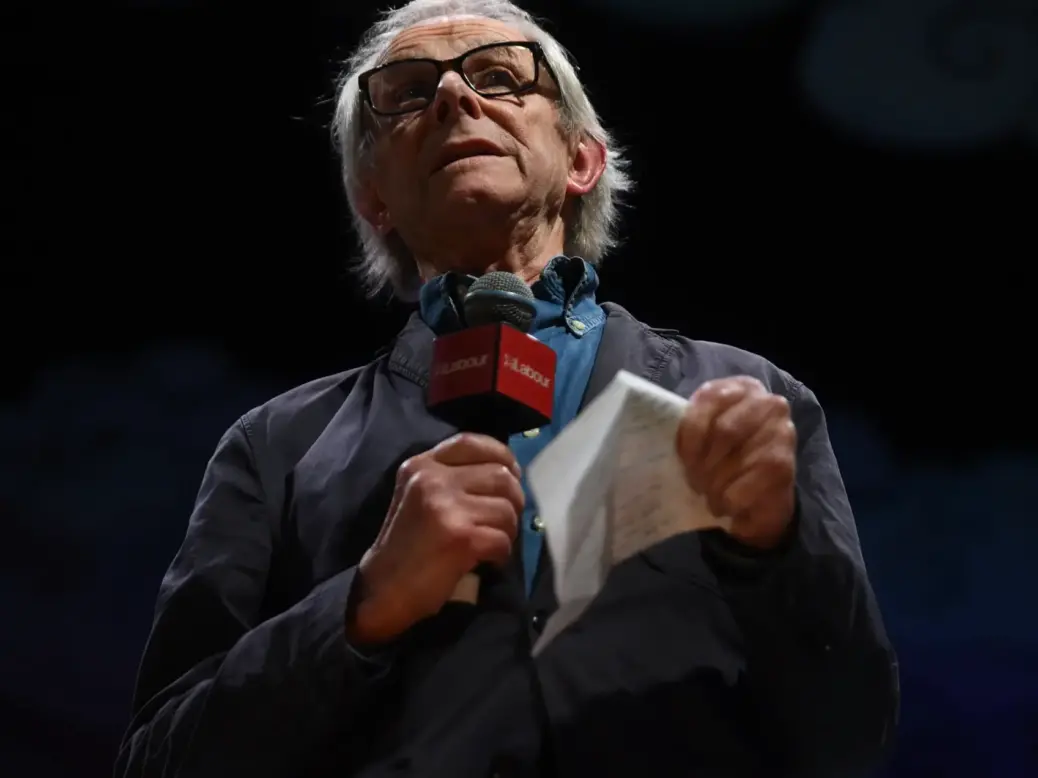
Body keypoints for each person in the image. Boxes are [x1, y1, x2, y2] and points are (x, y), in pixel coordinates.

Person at [115, 1, 899, 776]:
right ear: (373, 198)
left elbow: (850, 738)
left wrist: (773, 549)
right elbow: (157, 760)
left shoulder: (745, 394)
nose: (456, 97)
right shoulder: (274, 447)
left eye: (499, 77)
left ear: (582, 160)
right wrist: (364, 606)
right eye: (410, 93)